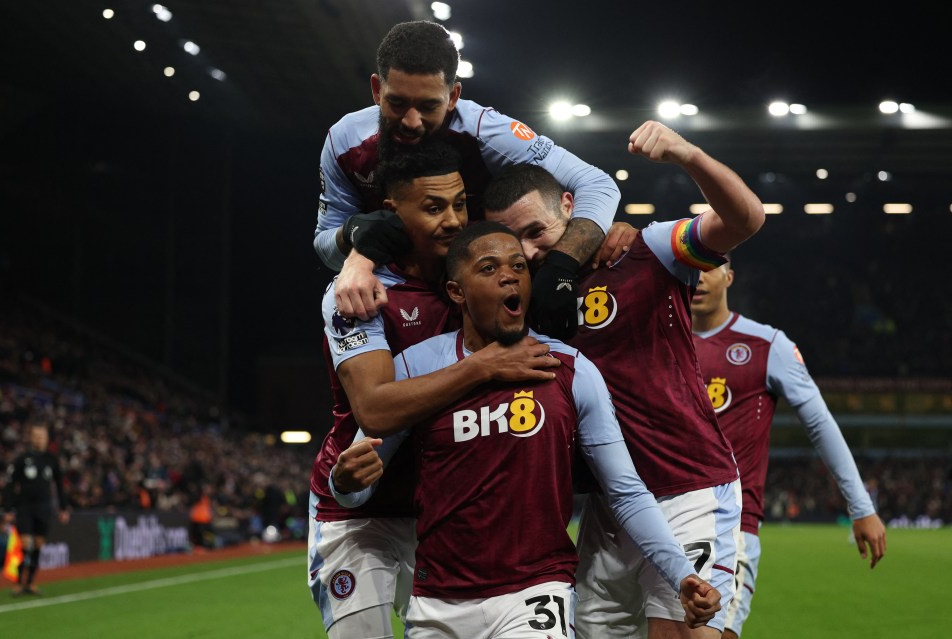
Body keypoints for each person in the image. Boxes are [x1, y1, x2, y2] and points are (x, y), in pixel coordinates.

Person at [333, 222, 722, 638]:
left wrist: (682, 573)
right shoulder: (417, 365)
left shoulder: (570, 369)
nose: (508, 275)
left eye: (518, 266)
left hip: (535, 592)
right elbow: (356, 485)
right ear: (456, 292)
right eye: (488, 268)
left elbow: (625, 491)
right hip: (437, 601)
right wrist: (344, 480)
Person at [482, 120, 766, 638]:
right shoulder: (519, 301)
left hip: (688, 489)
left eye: (535, 232)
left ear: (570, 207)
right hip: (609, 512)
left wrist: (688, 154)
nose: (526, 252)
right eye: (512, 239)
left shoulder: (648, 251)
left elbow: (745, 219)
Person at [309, 141, 559, 638]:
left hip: (449, 517)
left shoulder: (488, 277)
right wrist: (484, 365)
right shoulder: (359, 291)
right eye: (432, 207)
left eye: (460, 203)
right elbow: (376, 410)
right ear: (391, 213)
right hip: (362, 511)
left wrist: (611, 231)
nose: (452, 220)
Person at [316, 20, 618, 339]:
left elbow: (597, 184)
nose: (411, 121)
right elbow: (325, 243)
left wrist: (561, 265)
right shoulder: (344, 140)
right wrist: (353, 240)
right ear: (377, 90)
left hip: (487, 302)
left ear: (453, 96)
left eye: (429, 106)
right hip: (395, 301)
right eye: (398, 103)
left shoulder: (488, 132)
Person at [691, 259, 887, 638]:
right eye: (689, 265)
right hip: (659, 526)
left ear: (729, 276)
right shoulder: (658, 340)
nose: (698, 276)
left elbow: (819, 423)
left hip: (729, 527)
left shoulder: (767, 345)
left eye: (709, 266)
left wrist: (861, 506)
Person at [2, 424, 70, 596]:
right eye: (36, 436)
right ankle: (18, 583)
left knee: (38, 545)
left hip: (44, 508)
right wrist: (8, 509)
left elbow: (60, 485)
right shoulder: (22, 459)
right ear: (31, 438)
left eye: (42, 436)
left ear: (47, 439)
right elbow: (10, 485)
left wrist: (63, 508)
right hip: (24, 508)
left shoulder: (52, 460)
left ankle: (30, 582)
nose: (39, 439)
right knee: (25, 544)